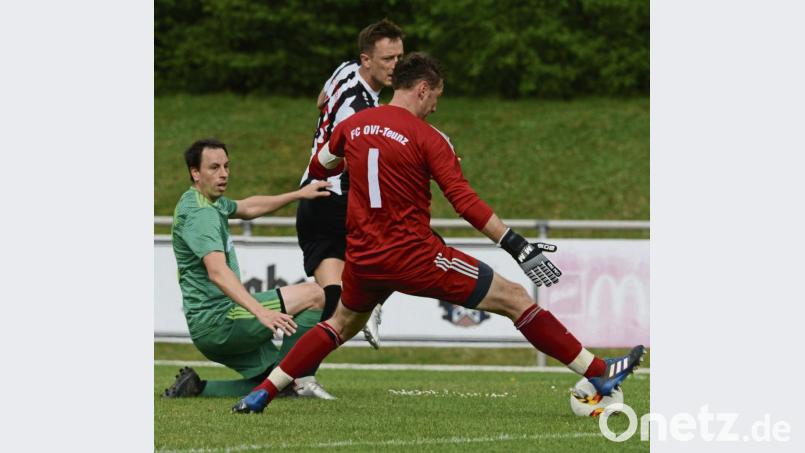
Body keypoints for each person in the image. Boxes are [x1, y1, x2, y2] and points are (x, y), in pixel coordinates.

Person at [232, 53, 645, 414]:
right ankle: (599, 373)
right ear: (423, 89)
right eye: (436, 99)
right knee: (516, 298)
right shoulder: (429, 138)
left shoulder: (354, 124)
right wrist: (516, 244)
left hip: (364, 259)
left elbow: (322, 165)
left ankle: (262, 393)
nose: (434, 109)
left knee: (338, 325)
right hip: (415, 257)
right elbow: (464, 202)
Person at [163, 138, 337, 400]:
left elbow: (247, 207)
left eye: (226, 166)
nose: (223, 174)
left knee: (277, 384)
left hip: (207, 326)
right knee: (316, 295)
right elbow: (217, 272)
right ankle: (301, 378)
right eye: (214, 168)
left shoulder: (205, 201)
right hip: (220, 321)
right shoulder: (202, 214)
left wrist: (298, 194)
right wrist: (261, 313)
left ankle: (198, 388)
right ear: (195, 172)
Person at [295, 19, 404, 349]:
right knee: (407, 244)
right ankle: (371, 303)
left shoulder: (344, 70)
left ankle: (297, 375)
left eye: (399, 57)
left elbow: (320, 100)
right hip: (336, 200)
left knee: (333, 302)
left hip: (311, 198)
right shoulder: (362, 113)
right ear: (366, 60)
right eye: (387, 59)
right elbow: (357, 167)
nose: (396, 66)